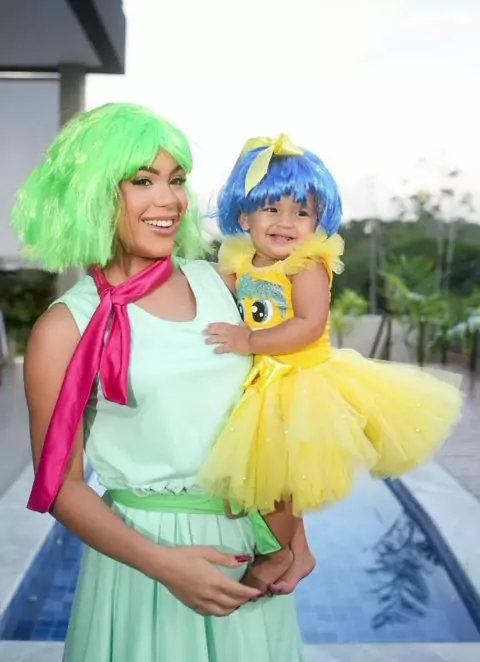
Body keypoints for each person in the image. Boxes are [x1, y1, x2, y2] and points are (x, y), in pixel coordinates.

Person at [11, 105, 305, 662]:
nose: (169, 200)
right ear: (94, 193)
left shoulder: (224, 282)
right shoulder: (66, 328)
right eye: (143, 181)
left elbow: (272, 408)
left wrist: (294, 536)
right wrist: (165, 565)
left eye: (176, 179)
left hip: (248, 554)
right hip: (146, 563)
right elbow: (61, 486)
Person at [199, 134, 464, 594]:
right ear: (244, 216)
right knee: (268, 473)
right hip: (264, 379)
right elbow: (214, 296)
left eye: (301, 212)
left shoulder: (307, 266)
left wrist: (249, 339)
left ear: (317, 220)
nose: (286, 222)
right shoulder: (241, 261)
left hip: (300, 380)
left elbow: (307, 325)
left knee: (277, 482)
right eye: (272, 208)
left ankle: (277, 554)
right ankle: (298, 551)